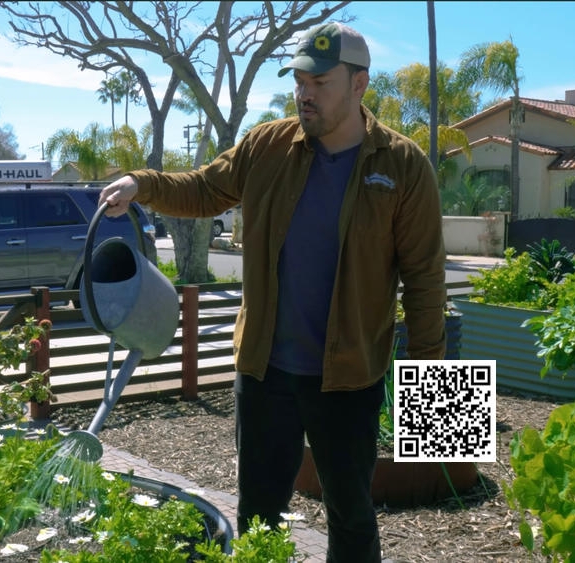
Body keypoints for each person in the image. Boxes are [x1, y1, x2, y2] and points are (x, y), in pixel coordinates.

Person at [99, 22, 446, 563]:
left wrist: (434, 406)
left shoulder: (402, 166)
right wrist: (142, 184)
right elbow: (207, 188)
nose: (306, 92)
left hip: (349, 378)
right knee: (260, 514)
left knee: (351, 517)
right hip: (264, 373)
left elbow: (426, 280)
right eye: (300, 80)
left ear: (359, 86)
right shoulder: (269, 145)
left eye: (321, 82)